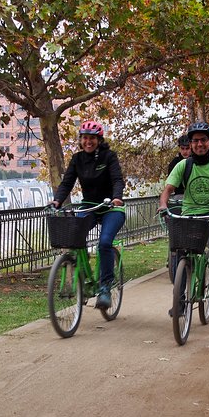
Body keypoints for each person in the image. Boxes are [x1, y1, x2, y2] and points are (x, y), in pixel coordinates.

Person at [52, 120, 126, 310]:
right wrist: (57, 200)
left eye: (92, 138)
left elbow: (117, 179)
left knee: (104, 243)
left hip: (111, 208)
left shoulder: (109, 157)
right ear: (80, 140)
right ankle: (82, 277)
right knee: (73, 236)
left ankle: (104, 288)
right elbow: (67, 183)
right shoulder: (77, 159)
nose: (88, 142)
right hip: (89, 207)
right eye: (85, 138)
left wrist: (117, 197)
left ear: (99, 140)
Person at [158, 122, 209, 291]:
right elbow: (167, 190)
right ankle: (179, 303)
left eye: (203, 140)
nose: (199, 144)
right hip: (189, 213)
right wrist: (163, 205)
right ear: (191, 143)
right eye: (195, 141)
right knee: (181, 252)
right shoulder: (184, 165)